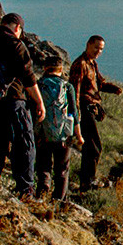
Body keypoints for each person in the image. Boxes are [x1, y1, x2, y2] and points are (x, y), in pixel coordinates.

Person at [0, 12, 45, 197]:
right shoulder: (15, 44)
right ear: (17, 28)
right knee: (24, 145)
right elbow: (28, 76)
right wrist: (39, 102)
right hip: (13, 101)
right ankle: (25, 190)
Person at [69, 35, 123, 191]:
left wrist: (113, 89)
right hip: (85, 109)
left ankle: (88, 181)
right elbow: (75, 91)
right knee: (93, 147)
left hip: (92, 108)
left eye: (101, 49)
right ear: (88, 45)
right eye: (96, 48)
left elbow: (99, 83)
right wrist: (76, 114)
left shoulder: (92, 64)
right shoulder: (80, 65)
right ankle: (87, 182)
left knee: (91, 147)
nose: (98, 51)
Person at [34, 53, 84, 201]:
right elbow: (74, 112)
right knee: (62, 170)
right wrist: (79, 135)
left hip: (43, 134)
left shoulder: (38, 85)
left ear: (45, 68)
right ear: (61, 69)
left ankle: (42, 191)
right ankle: (58, 200)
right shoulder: (67, 86)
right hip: (64, 135)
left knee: (43, 165)